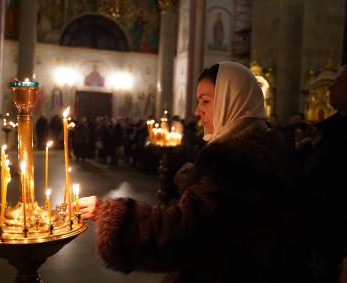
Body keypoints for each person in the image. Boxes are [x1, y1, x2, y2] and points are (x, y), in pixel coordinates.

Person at [78, 62, 312, 282]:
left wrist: (110, 213)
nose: (198, 110)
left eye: (206, 101)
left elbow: (182, 231)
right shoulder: (267, 146)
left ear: (232, 101)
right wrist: (195, 182)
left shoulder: (233, 162)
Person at [304, 65, 347, 283]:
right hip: (319, 231)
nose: (330, 87)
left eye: (338, 82)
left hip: (335, 237)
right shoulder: (333, 129)